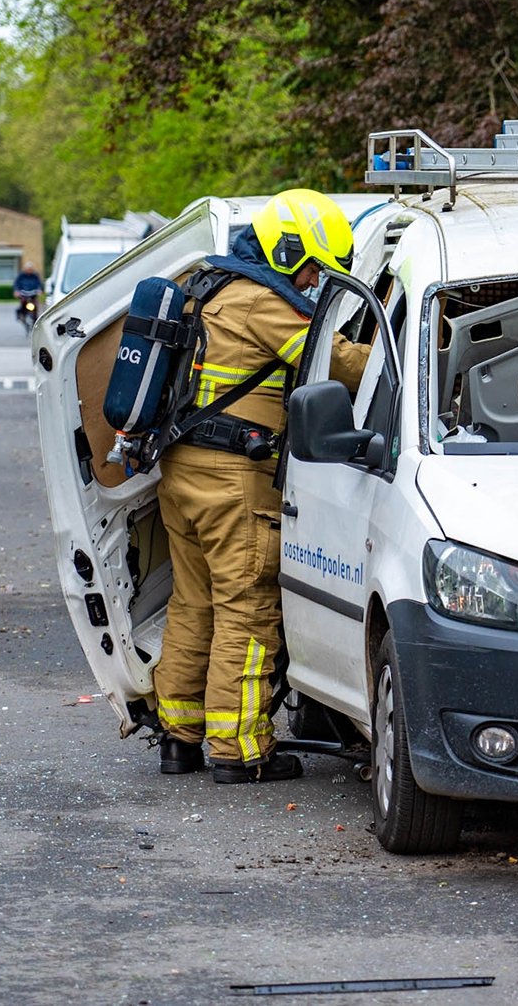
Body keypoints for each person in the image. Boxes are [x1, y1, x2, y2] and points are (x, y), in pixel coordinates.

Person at [154, 189, 369, 783]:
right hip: (235, 484)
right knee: (246, 610)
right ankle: (240, 750)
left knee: (193, 603)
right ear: (286, 253)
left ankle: (179, 735)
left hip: (183, 472)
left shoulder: (210, 288)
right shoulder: (265, 304)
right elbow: (340, 364)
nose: (316, 281)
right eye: (313, 268)